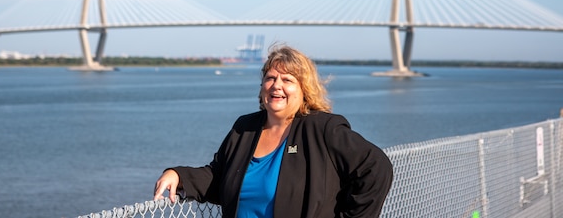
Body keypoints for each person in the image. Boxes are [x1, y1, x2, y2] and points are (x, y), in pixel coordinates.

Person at [154, 44, 393, 217]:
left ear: (304, 89)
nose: (276, 85)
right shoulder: (245, 128)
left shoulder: (322, 129)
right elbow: (219, 177)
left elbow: (376, 168)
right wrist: (179, 175)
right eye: (270, 78)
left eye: (287, 80)